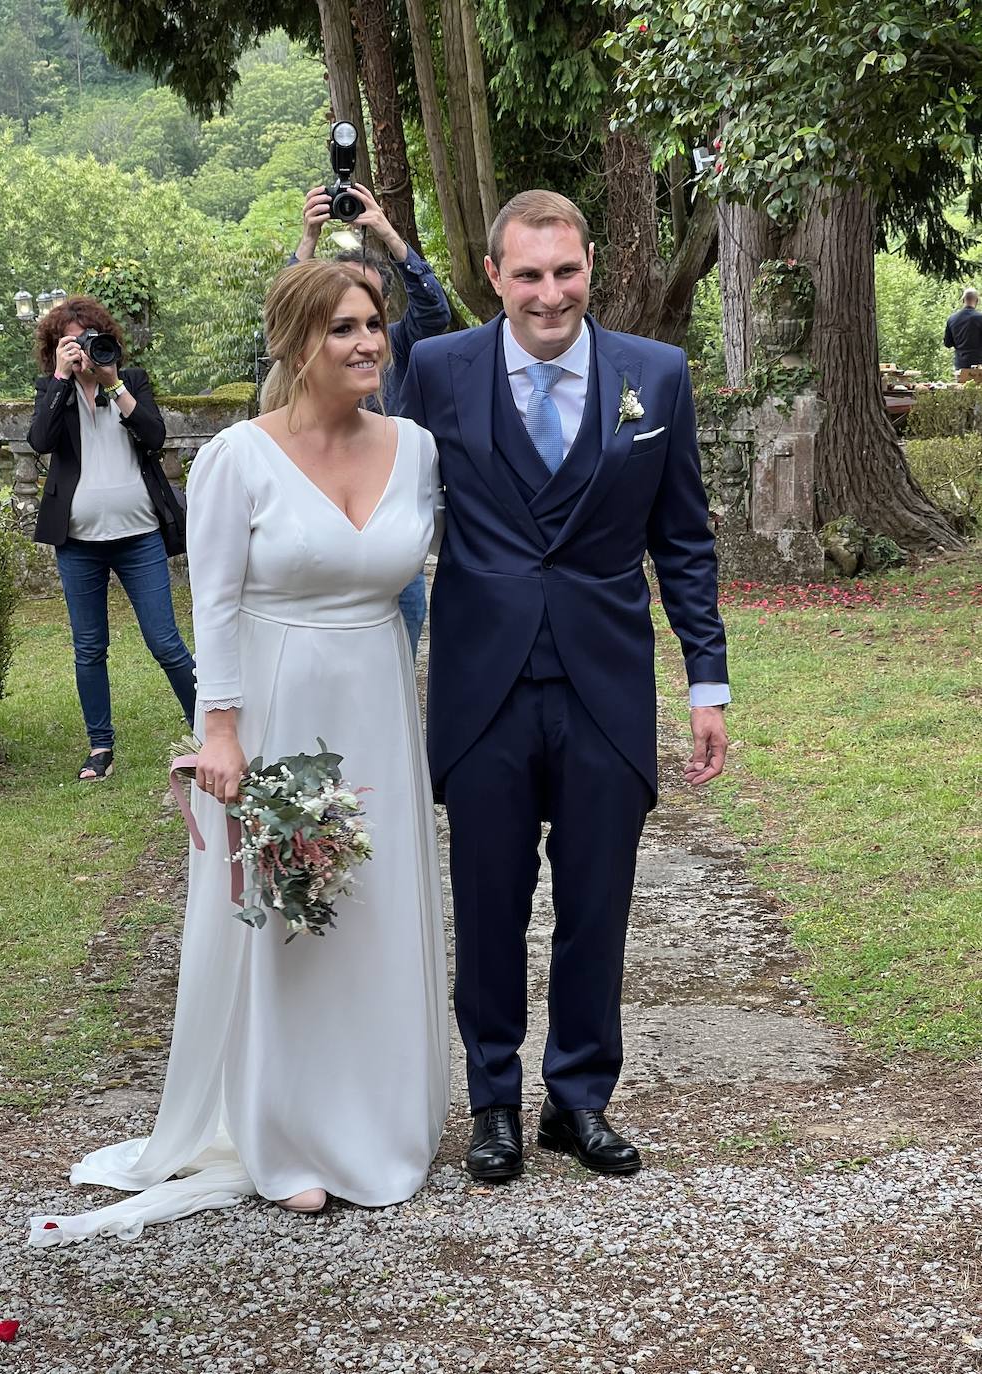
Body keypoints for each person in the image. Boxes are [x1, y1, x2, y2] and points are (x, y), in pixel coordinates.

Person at [29, 261, 449, 1245]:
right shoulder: (237, 459)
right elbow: (210, 604)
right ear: (296, 345)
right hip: (277, 699)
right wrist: (220, 731)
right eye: (343, 328)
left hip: (379, 699)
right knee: (293, 916)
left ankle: (381, 1114)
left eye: (373, 325)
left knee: (376, 904)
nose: (367, 344)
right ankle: (287, 1137)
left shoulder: (418, 449)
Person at [400, 190, 729, 1182]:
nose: (550, 294)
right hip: (484, 684)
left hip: (604, 683)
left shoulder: (654, 378)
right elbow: (385, 501)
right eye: (528, 274)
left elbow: (681, 541)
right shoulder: (437, 369)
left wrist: (705, 683)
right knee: (489, 900)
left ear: (590, 269)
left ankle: (577, 1100)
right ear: (493, 277)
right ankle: (493, 1100)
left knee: (597, 903)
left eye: (566, 271)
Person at [29, 296, 195, 781]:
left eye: (89, 339)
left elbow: (155, 435)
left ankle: (206, 727)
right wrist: (62, 379)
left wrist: (113, 382)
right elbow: (40, 441)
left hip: (138, 535)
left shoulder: (131, 381)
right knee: (89, 647)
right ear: (55, 349)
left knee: (165, 641)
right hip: (77, 541)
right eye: (71, 342)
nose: (82, 349)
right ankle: (100, 746)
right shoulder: (51, 388)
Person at [289, 181, 452, 656]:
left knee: (402, 636)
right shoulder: (310, 351)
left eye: (373, 311)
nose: (363, 332)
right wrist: (308, 240)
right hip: (323, 512)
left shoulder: (397, 343)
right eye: (343, 318)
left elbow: (435, 311)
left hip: (386, 516)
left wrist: (385, 231)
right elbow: (284, 321)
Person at [943, 287, 982, 377]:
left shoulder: (952, 319)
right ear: (977, 301)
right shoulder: (980, 318)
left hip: (960, 365)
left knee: (961, 389)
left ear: (963, 300)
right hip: (979, 366)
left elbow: (947, 343)